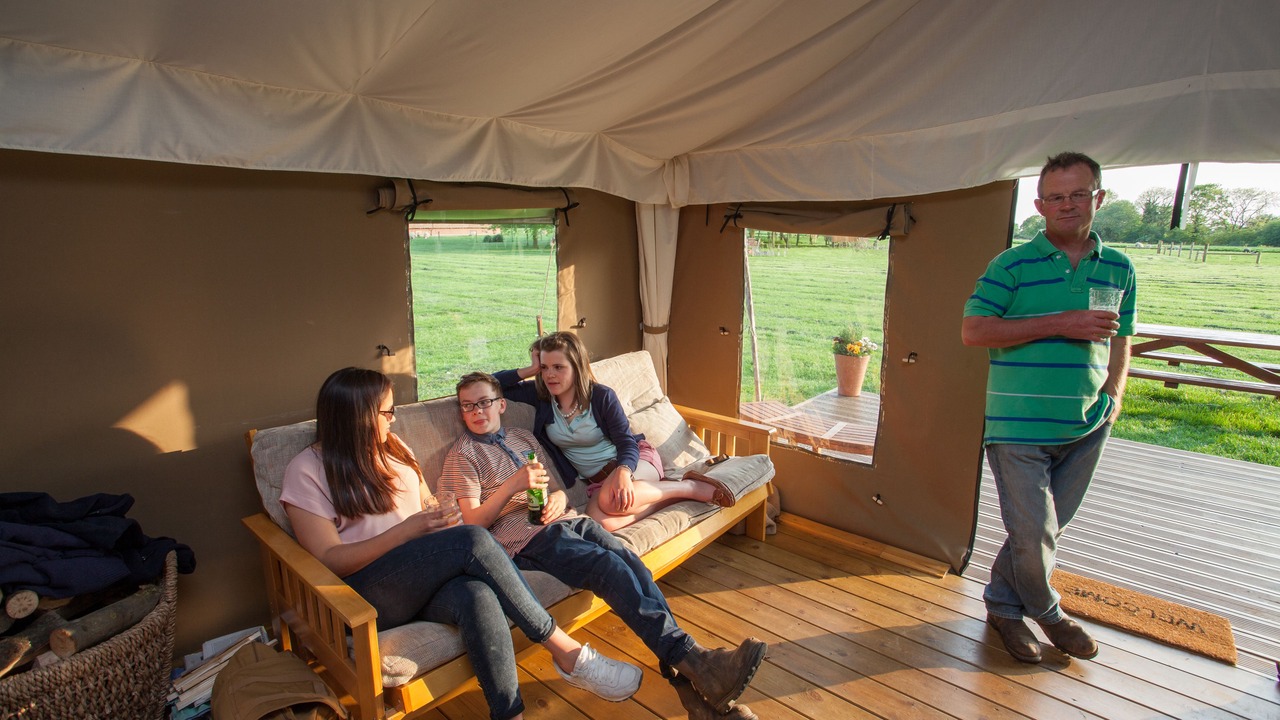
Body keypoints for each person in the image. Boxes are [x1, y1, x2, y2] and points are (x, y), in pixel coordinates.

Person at [280, 367, 643, 720]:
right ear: (356, 416)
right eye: (387, 411)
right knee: (472, 539)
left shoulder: (394, 448)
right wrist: (409, 530)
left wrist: (441, 516)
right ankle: (567, 653)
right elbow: (329, 559)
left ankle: (509, 714)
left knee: (477, 596)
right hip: (369, 592)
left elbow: (427, 505)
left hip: (424, 574)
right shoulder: (308, 469)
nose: (393, 419)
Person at [440, 371, 765, 719]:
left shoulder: (522, 438)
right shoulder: (463, 455)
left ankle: (697, 696)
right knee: (607, 568)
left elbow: (554, 491)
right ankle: (701, 667)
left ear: (501, 404)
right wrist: (511, 486)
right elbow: (473, 525)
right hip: (527, 539)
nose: (477, 411)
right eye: (468, 406)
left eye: (484, 402)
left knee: (632, 563)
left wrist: (560, 500)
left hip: (569, 521)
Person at [961, 152, 1137, 664]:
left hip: (1087, 421)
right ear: (1039, 205)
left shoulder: (1120, 267)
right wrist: (1061, 321)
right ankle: (1050, 614)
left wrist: (1116, 394)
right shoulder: (1011, 265)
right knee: (1034, 530)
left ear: (1098, 198)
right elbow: (973, 331)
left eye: (1078, 194)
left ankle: (1002, 607)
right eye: (1056, 197)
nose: (1067, 205)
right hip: (1018, 424)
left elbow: (1123, 336)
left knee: (1040, 530)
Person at [492, 331, 734, 532]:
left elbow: (626, 442)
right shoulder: (540, 396)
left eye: (558, 367)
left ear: (576, 367)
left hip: (634, 461)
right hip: (599, 482)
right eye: (545, 367)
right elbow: (491, 384)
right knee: (601, 522)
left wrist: (623, 471)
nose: (550, 374)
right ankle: (669, 495)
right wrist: (529, 370)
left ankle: (689, 487)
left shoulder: (601, 396)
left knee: (610, 500)